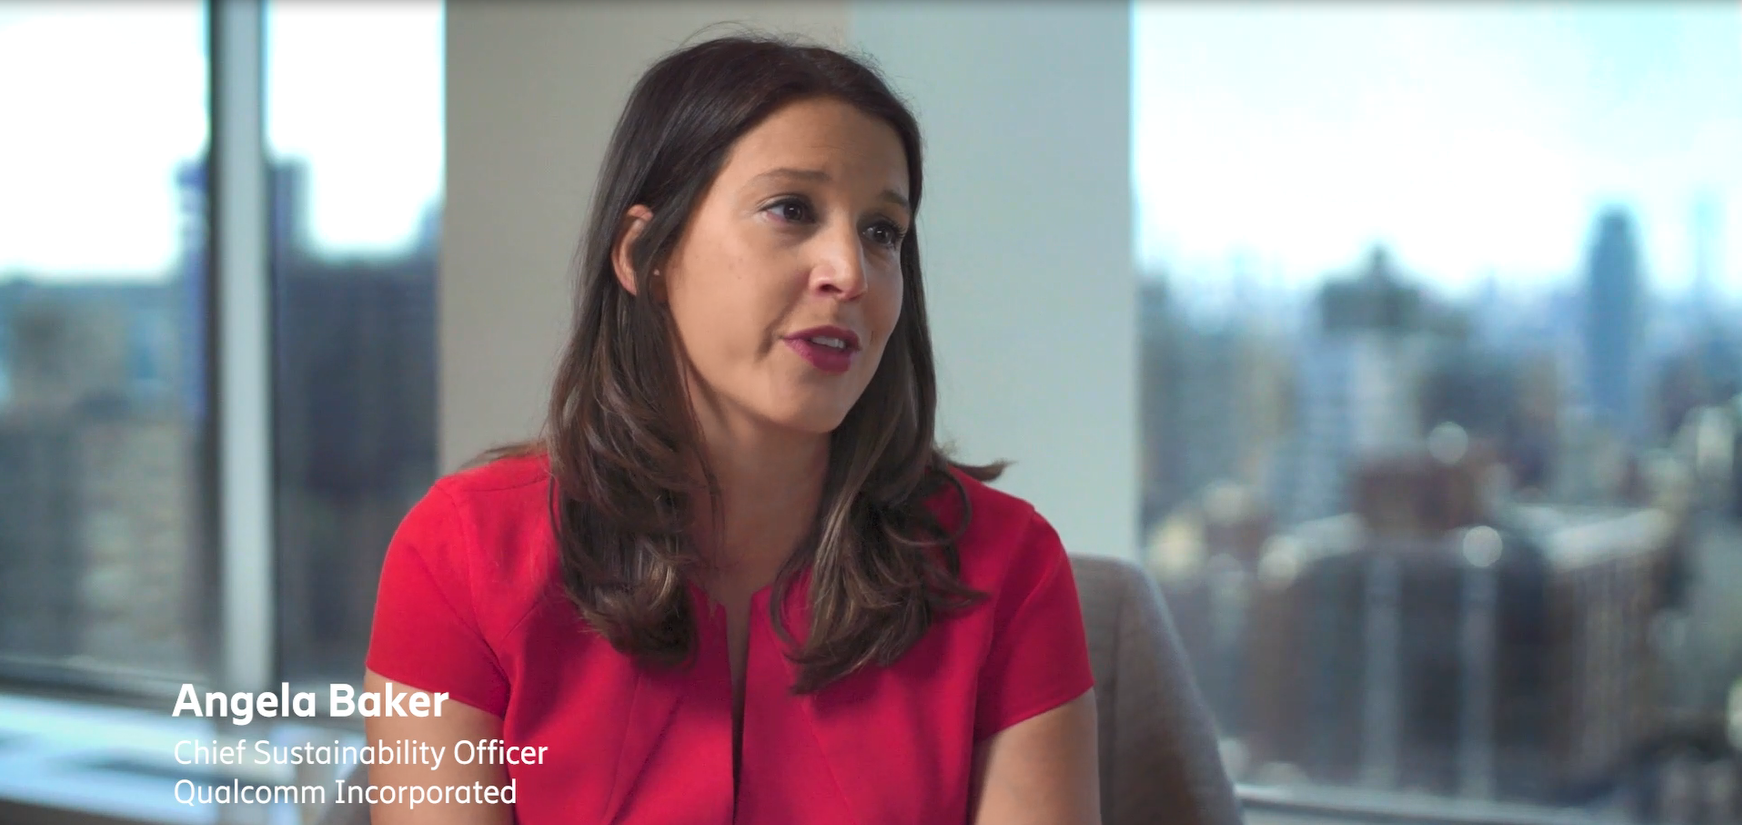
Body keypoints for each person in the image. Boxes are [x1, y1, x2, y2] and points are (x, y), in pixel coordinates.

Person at [363, 33, 1100, 825]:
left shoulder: (1009, 567)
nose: (849, 272)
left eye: (882, 230)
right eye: (791, 209)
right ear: (646, 252)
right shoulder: (461, 557)